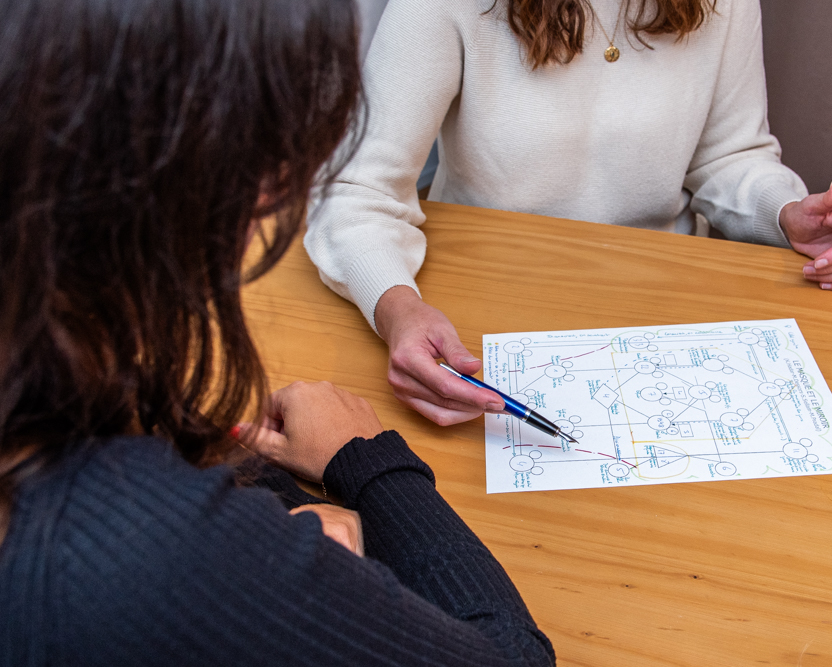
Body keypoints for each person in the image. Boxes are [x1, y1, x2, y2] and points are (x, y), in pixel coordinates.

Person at [0, 0, 555, 664]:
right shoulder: (144, 550)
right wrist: (366, 460)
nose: (279, 196)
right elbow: (512, 656)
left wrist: (264, 514)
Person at [303, 0, 832, 427]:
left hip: (661, 315)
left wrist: (785, 211)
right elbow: (355, 191)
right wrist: (398, 309)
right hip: (476, 319)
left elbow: (729, 155)